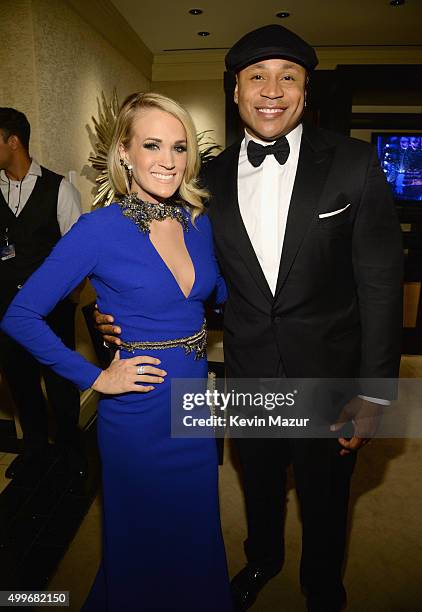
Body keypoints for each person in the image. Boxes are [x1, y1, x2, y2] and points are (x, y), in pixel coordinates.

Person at [95, 25, 403, 612]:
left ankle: (322, 586)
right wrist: (121, 318)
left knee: (326, 497)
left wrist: (376, 394)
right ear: (235, 92)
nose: (272, 90)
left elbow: (382, 288)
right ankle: (262, 559)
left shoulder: (354, 164)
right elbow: (179, 271)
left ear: (306, 92)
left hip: (329, 378)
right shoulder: (201, 180)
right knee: (259, 487)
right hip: (246, 373)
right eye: (256, 76)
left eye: (288, 76)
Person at [1, 93, 232, 612]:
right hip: (138, 407)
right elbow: (20, 315)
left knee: (195, 532)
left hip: (193, 405)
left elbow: (216, 296)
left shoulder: (199, 222)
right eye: (152, 145)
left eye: (179, 147)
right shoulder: (98, 229)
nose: (169, 160)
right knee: (140, 543)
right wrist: (93, 378)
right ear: (124, 153)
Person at [0, 107, 84, 478]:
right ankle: (34, 449)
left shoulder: (60, 189)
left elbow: (79, 255)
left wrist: (65, 300)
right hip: (6, 313)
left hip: (51, 313)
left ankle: (69, 450)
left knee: (61, 384)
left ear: (12, 141)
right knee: (20, 382)